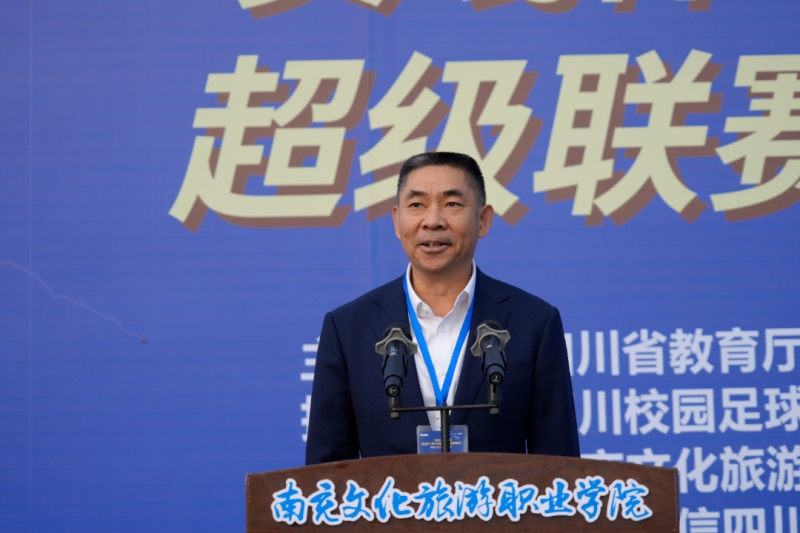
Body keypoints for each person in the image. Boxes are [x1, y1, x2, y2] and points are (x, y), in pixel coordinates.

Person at [305, 152, 579, 464]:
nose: (432, 220)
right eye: (416, 205)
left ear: (483, 219)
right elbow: (325, 474)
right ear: (397, 221)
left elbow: (560, 468)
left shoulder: (533, 323)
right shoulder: (348, 328)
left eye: (452, 204)